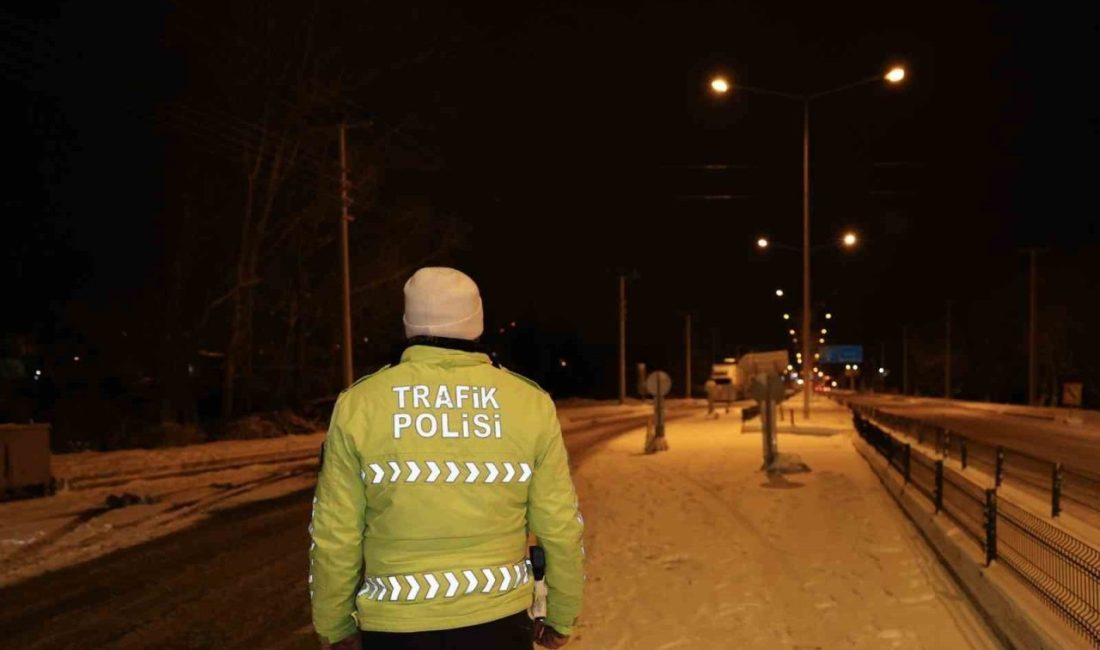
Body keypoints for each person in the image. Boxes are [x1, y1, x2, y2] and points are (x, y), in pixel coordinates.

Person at [309, 267, 584, 650]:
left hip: (395, 629)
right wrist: (561, 613)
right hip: (498, 624)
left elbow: (334, 533)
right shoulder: (528, 402)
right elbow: (561, 526)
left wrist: (335, 625)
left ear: (409, 322)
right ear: (477, 322)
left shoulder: (361, 403)